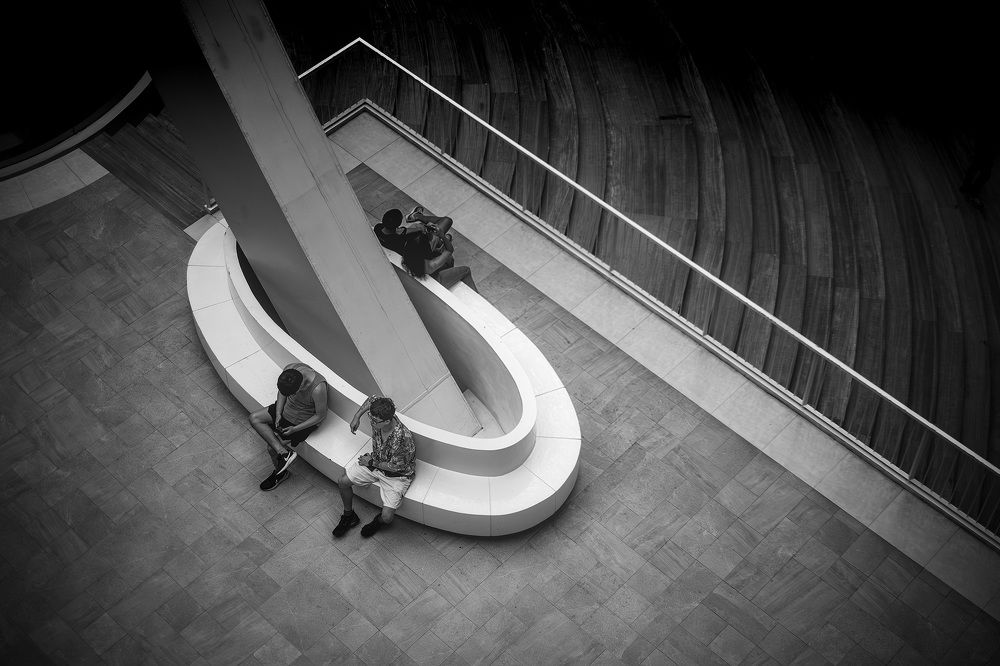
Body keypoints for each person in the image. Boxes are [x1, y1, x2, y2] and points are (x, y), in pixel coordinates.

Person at [332, 395, 415, 538]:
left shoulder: (403, 439)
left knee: (388, 518)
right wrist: (357, 416)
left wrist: (370, 462)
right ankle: (349, 516)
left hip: (396, 475)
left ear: (388, 420)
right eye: (371, 416)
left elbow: (396, 467)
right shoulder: (378, 416)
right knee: (343, 482)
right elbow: (372, 398)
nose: (371, 421)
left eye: (375, 421)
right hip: (375, 461)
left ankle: (378, 522)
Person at [248, 363, 328, 491]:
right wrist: (278, 413)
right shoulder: (290, 371)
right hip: (285, 410)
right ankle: (284, 453)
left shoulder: (318, 388)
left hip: (300, 422)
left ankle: (280, 475)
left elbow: (320, 416)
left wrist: (295, 429)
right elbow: (282, 393)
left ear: (301, 386)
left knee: (271, 448)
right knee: (254, 418)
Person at [400, 228, 479, 292]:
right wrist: (442, 236)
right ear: (425, 249)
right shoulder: (431, 265)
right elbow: (449, 250)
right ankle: (477, 296)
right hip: (436, 283)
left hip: (422, 275)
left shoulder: (407, 255)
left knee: (446, 258)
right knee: (466, 270)